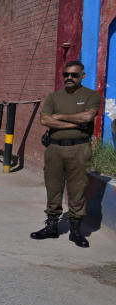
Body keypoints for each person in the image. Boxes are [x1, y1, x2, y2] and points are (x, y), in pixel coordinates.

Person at [30, 60, 100, 247]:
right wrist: (74, 124)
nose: (69, 78)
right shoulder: (54, 97)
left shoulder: (91, 96)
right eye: (66, 75)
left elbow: (87, 117)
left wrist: (58, 117)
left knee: (77, 188)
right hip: (54, 148)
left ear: (82, 76)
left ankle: (76, 230)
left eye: (74, 75)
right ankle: (52, 226)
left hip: (79, 148)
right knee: (53, 186)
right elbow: (45, 120)